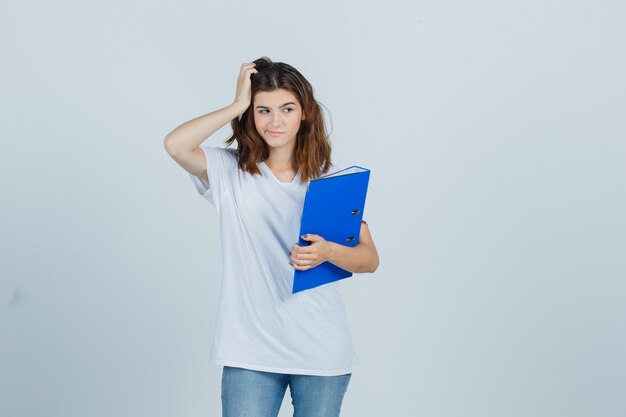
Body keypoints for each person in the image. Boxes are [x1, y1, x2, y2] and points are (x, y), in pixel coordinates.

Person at [163, 57, 379, 417]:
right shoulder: (229, 170)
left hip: (320, 348)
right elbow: (175, 145)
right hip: (250, 350)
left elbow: (369, 258)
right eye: (263, 110)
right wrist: (236, 104)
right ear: (252, 114)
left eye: (286, 109)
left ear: (304, 113)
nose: (274, 121)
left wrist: (327, 252)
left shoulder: (332, 180)